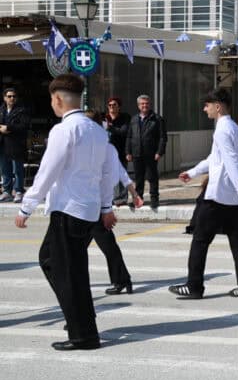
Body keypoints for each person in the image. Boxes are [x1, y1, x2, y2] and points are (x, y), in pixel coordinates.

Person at [15, 74, 122, 351]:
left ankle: (83, 334)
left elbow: (47, 171)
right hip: (86, 210)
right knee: (52, 260)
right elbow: (107, 174)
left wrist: (27, 205)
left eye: (52, 100)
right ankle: (80, 316)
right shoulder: (99, 132)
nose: (52, 104)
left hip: (67, 210)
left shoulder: (63, 131)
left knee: (69, 272)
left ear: (58, 99)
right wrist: (106, 206)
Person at [169, 88, 238, 300]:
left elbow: (231, 163)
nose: (204, 108)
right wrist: (192, 172)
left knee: (200, 239)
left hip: (218, 196)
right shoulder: (234, 128)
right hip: (231, 198)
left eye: (207, 105)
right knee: (237, 240)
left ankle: (194, 286)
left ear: (218, 106)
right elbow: (214, 159)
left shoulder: (222, 130)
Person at [84, 109, 143, 295]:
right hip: (93, 206)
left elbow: (111, 176)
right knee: (106, 246)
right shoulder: (105, 146)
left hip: (94, 206)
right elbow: (121, 172)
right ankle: (123, 280)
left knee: (78, 249)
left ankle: (120, 280)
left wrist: (106, 208)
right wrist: (134, 192)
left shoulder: (100, 148)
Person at [125, 94, 166, 210]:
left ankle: (154, 200)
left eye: (147, 103)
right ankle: (138, 199)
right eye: (142, 104)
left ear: (150, 104)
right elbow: (129, 137)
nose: (145, 106)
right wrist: (128, 152)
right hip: (137, 153)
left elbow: (162, 137)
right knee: (138, 178)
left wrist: (159, 152)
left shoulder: (157, 119)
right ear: (138, 106)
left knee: (152, 177)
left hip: (151, 153)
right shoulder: (134, 119)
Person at [0, 87, 29, 203]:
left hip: (16, 144)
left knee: (17, 169)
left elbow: (24, 126)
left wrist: (9, 128)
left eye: (14, 96)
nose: (12, 98)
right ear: (4, 98)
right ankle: (7, 192)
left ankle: (18, 191)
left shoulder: (22, 111)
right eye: (9, 96)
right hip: (3, 143)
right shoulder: (1, 110)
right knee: (5, 169)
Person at [102, 97, 131, 205]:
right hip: (107, 152)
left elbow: (124, 131)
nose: (112, 107)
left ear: (119, 107)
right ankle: (112, 198)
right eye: (109, 105)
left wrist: (110, 128)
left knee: (122, 174)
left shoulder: (125, 118)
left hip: (121, 150)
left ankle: (122, 198)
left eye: (114, 105)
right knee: (109, 175)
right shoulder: (105, 118)